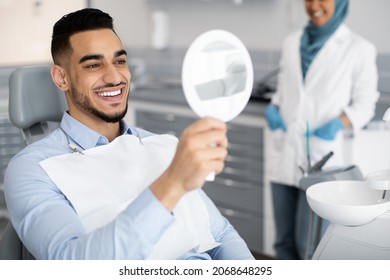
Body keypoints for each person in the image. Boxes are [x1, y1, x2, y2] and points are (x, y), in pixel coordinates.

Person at [4, 8, 254, 260]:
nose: (114, 77)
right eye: (93, 64)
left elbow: (221, 236)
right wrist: (172, 183)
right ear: (61, 78)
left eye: (120, 61)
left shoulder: (163, 146)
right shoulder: (33, 169)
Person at [265, 0, 379, 259]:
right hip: (285, 155)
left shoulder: (359, 49)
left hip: (323, 160)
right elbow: (284, 94)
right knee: (283, 244)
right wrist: (274, 108)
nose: (314, 5)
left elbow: (365, 103)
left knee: (310, 247)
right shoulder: (291, 43)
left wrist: (340, 121)